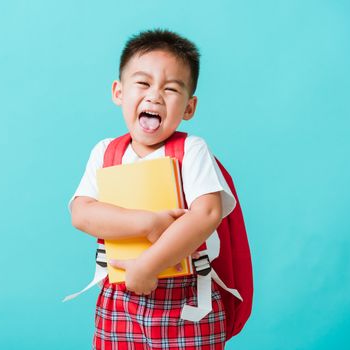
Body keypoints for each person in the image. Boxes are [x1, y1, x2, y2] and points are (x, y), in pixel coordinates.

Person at [69, 29, 240, 349]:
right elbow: (82, 212)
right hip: (120, 297)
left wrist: (149, 264)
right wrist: (147, 223)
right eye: (143, 83)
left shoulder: (192, 150)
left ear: (189, 108)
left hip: (186, 296)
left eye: (171, 88)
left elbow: (208, 212)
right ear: (119, 92)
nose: (154, 96)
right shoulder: (105, 152)